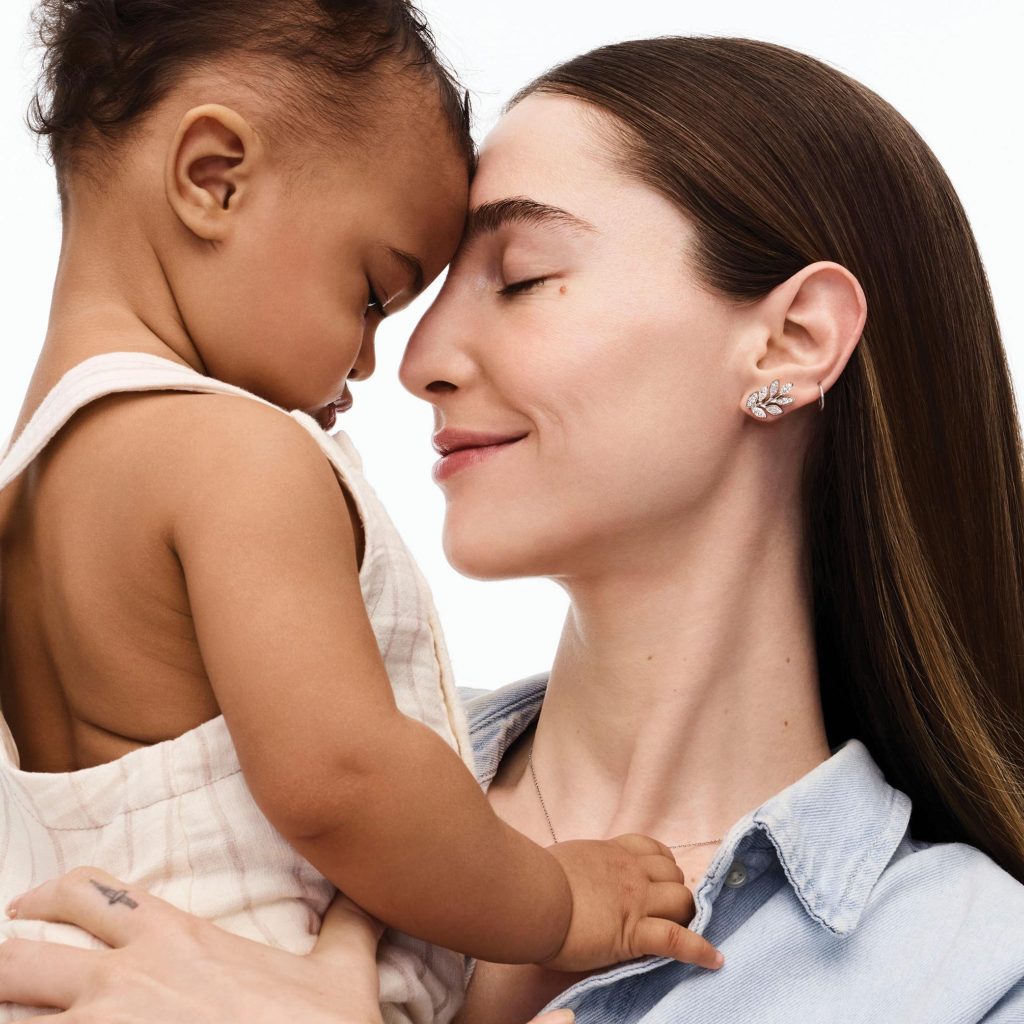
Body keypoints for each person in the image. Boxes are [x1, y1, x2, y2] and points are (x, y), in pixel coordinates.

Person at [4, 32, 1024, 1024]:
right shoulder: (328, 765)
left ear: (790, 342)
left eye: (522, 275)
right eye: (398, 290)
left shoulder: (971, 969)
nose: (415, 359)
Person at [0, 5, 722, 1023]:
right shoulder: (236, 454)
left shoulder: (25, 497)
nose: (375, 364)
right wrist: (554, 900)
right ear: (214, 178)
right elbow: (340, 777)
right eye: (375, 293)